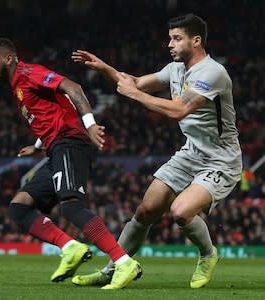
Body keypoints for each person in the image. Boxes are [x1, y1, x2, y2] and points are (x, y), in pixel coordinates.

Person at [71, 14, 242, 288]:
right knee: (146, 210)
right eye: (170, 38)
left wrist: (135, 94)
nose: (170, 44)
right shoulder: (174, 69)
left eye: (177, 39)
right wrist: (104, 68)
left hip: (221, 159)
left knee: (180, 212)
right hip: (191, 152)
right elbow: (134, 83)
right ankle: (112, 268)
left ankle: (208, 254)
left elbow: (180, 109)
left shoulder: (213, 72)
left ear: (196, 41)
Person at [0, 37, 142, 290]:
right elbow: (49, 116)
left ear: (8, 58)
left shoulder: (28, 72)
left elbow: (73, 88)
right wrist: (36, 146)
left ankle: (123, 262)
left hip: (70, 143)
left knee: (70, 206)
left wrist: (90, 125)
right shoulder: (17, 87)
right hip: (56, 148)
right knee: (19, 207)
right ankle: (70, 247)